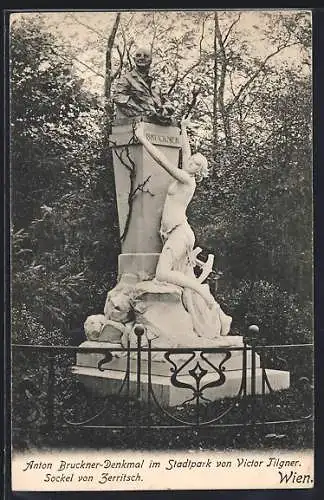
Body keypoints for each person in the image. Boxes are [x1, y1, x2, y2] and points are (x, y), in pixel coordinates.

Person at [135, 117, 214, 307]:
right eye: (192, 161)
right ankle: (195, 291)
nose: (190, 163)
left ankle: (200, 291)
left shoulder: (187, 180)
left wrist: (143, 139)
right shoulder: (187, 172)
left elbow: (163, 162)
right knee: (165, 274)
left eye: (196, 164)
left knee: (162, 274)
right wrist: (183, 128)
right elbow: (186, 152)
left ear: (199, 171)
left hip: (180, 233)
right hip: (173, 232)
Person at [113, 46, 174, 124]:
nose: (142, 58)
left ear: (151, 60)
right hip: (137, 121)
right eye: (138, 55)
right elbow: (117, 97)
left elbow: (167, 101)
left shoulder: (155, 85)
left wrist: (166, 109)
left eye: (146, 56)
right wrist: (138, 107)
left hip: (156, 124)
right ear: (134, 59)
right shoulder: (127, 78)